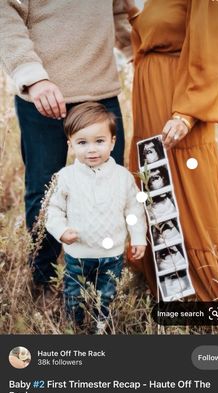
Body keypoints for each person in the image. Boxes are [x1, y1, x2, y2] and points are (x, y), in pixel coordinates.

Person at [0, 0, 132, 293]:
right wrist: (33, 77)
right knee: (46, 190)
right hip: (42, 93)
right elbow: (5, 12)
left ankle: (102, 284)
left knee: (110, 189)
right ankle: (43, 281)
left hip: (101, 92)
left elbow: (121, 14)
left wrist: (138, 55)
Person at [125, 0, 218, 313]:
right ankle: (166, 287)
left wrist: (186, 113)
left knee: (189, 190)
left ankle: (210, 288)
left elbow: (209, 43)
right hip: (150, 99)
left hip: (177, 100)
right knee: (156, 187)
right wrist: (133, 14)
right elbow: (157, 36)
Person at [45, 102, 147, 332]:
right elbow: (54, 210)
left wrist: (138, 236)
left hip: (112, 255)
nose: (91, 149)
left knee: (107, 294)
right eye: (82, 143)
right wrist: (61, 230)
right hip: (78, 253)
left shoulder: (122, 177)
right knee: (74, 293)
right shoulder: (66, 177)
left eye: (99, 141)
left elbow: (133, 210)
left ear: (112, 142)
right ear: (70, 145)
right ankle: (76, 326)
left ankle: (102, 326)